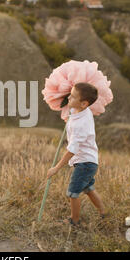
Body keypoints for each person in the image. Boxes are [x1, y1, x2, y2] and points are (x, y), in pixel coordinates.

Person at [46, 82, 106, 225]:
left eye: (72, 97)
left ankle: (74, 220)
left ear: (84, 103)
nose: (68, 98)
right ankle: (104, 212)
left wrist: (56, 168)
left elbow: (72, 150)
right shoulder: (80, 111)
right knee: (88, 188)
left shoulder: (81, 124)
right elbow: (72, 111)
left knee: (73, 193)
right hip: (88, 161)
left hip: (85, 163)